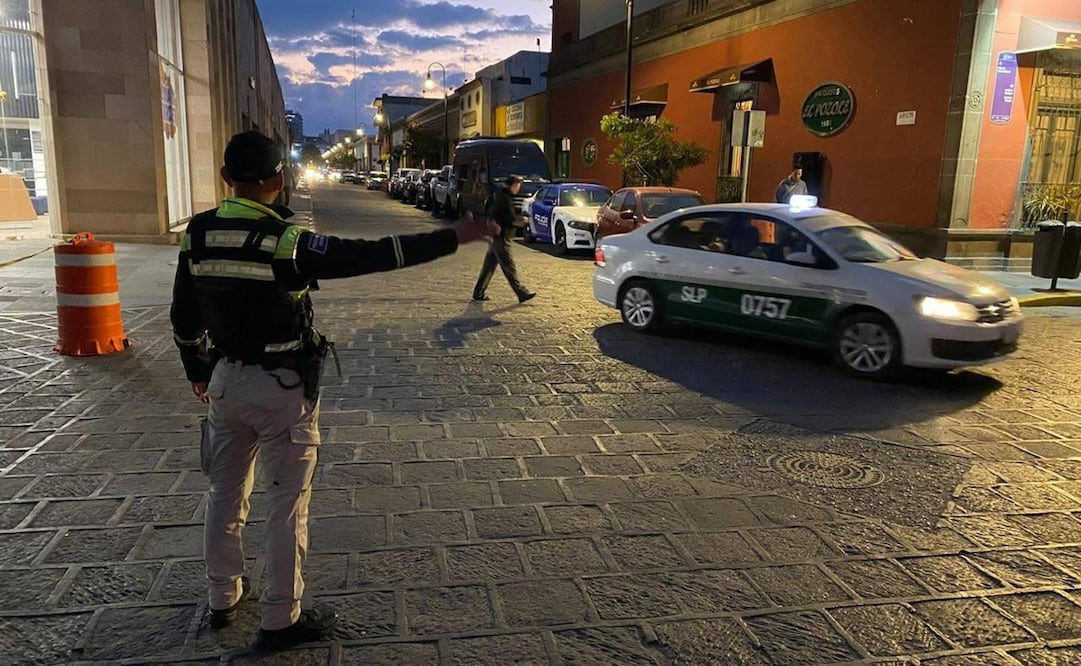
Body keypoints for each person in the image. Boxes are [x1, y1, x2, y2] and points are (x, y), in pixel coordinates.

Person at [170, 131, 496, 652]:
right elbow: (373, 255)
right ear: (278, 179)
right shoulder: (284, 241)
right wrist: (453, 237)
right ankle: (280, 618)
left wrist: (198, 369)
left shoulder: (198, 234)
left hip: (226, 382)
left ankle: (222, 596)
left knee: (224, 493)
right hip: (281, 386)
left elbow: (183, 315)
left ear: (226, 179)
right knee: (285, 502)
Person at [472, 174, 536, 303]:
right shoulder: (505, 198)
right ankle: (521, 292)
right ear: (513, 185)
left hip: (496, 236)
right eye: (518, 185)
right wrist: (521, 221)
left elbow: (492, 212)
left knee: (489, 265)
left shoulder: (500, 195)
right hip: (501, 237)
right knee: (509, 267)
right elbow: (507, 218)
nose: (519, 188)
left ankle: (478, 292)